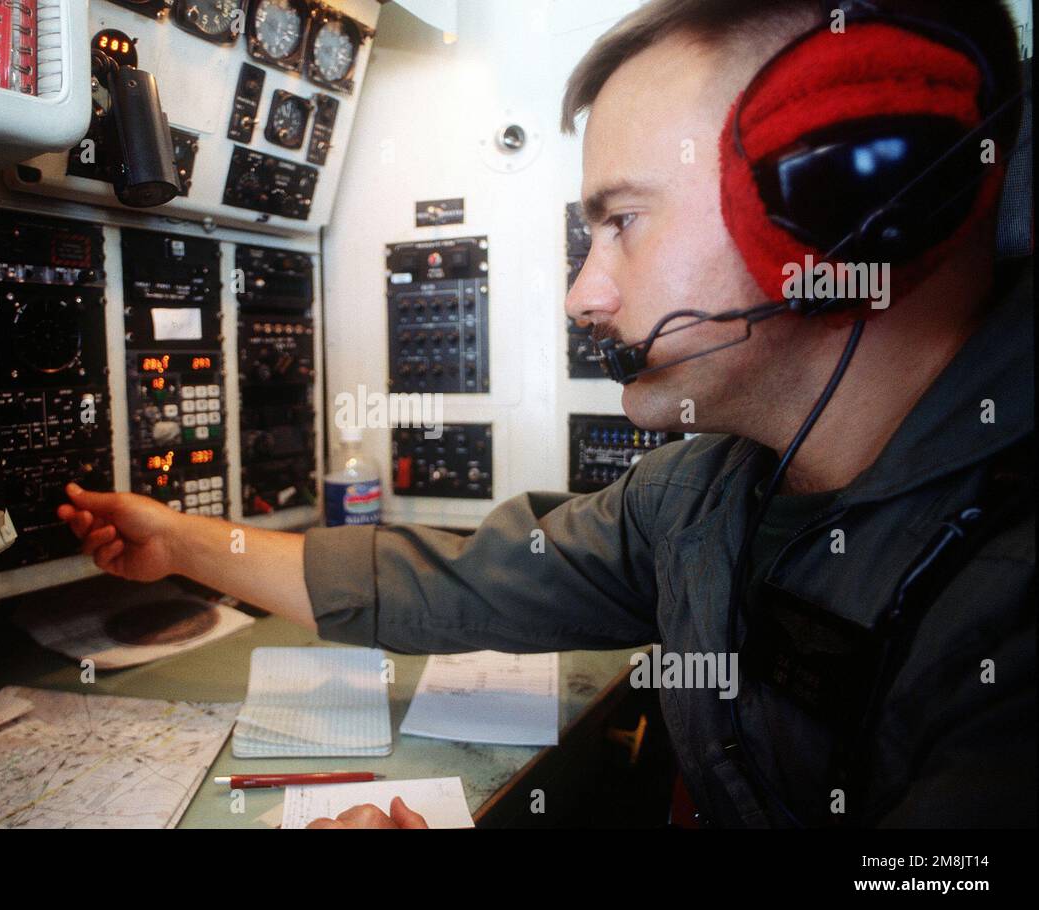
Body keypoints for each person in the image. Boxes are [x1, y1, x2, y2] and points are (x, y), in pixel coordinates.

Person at [58, 0, 1034, 828]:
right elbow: (460, 584)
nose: (583, 296)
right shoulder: (696, 497)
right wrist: (183, 545)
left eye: (621, 223)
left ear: (849, 201)